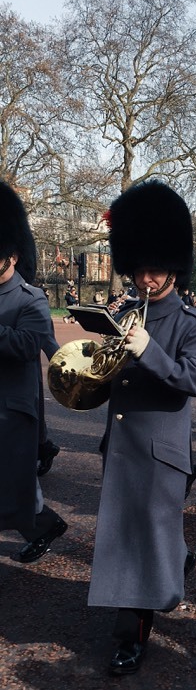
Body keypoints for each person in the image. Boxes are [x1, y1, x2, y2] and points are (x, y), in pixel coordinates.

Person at [87, 180, 196, 676]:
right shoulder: (124, 315)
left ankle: (131, 637)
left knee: (142, 540)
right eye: (139, 268)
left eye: (154, 268)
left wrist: (147, 350)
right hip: (121, 444)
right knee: (128, 536)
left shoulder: (193, 323)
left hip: (160, 451)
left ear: (173, 270)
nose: (145, 277)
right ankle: (176, 558)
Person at [0, 181, 67, 562]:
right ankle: (44, 523)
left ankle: (43, 523)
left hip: (11, 407)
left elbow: (30, 344)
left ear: (11, 257)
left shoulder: (33, 298)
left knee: (15, 486)